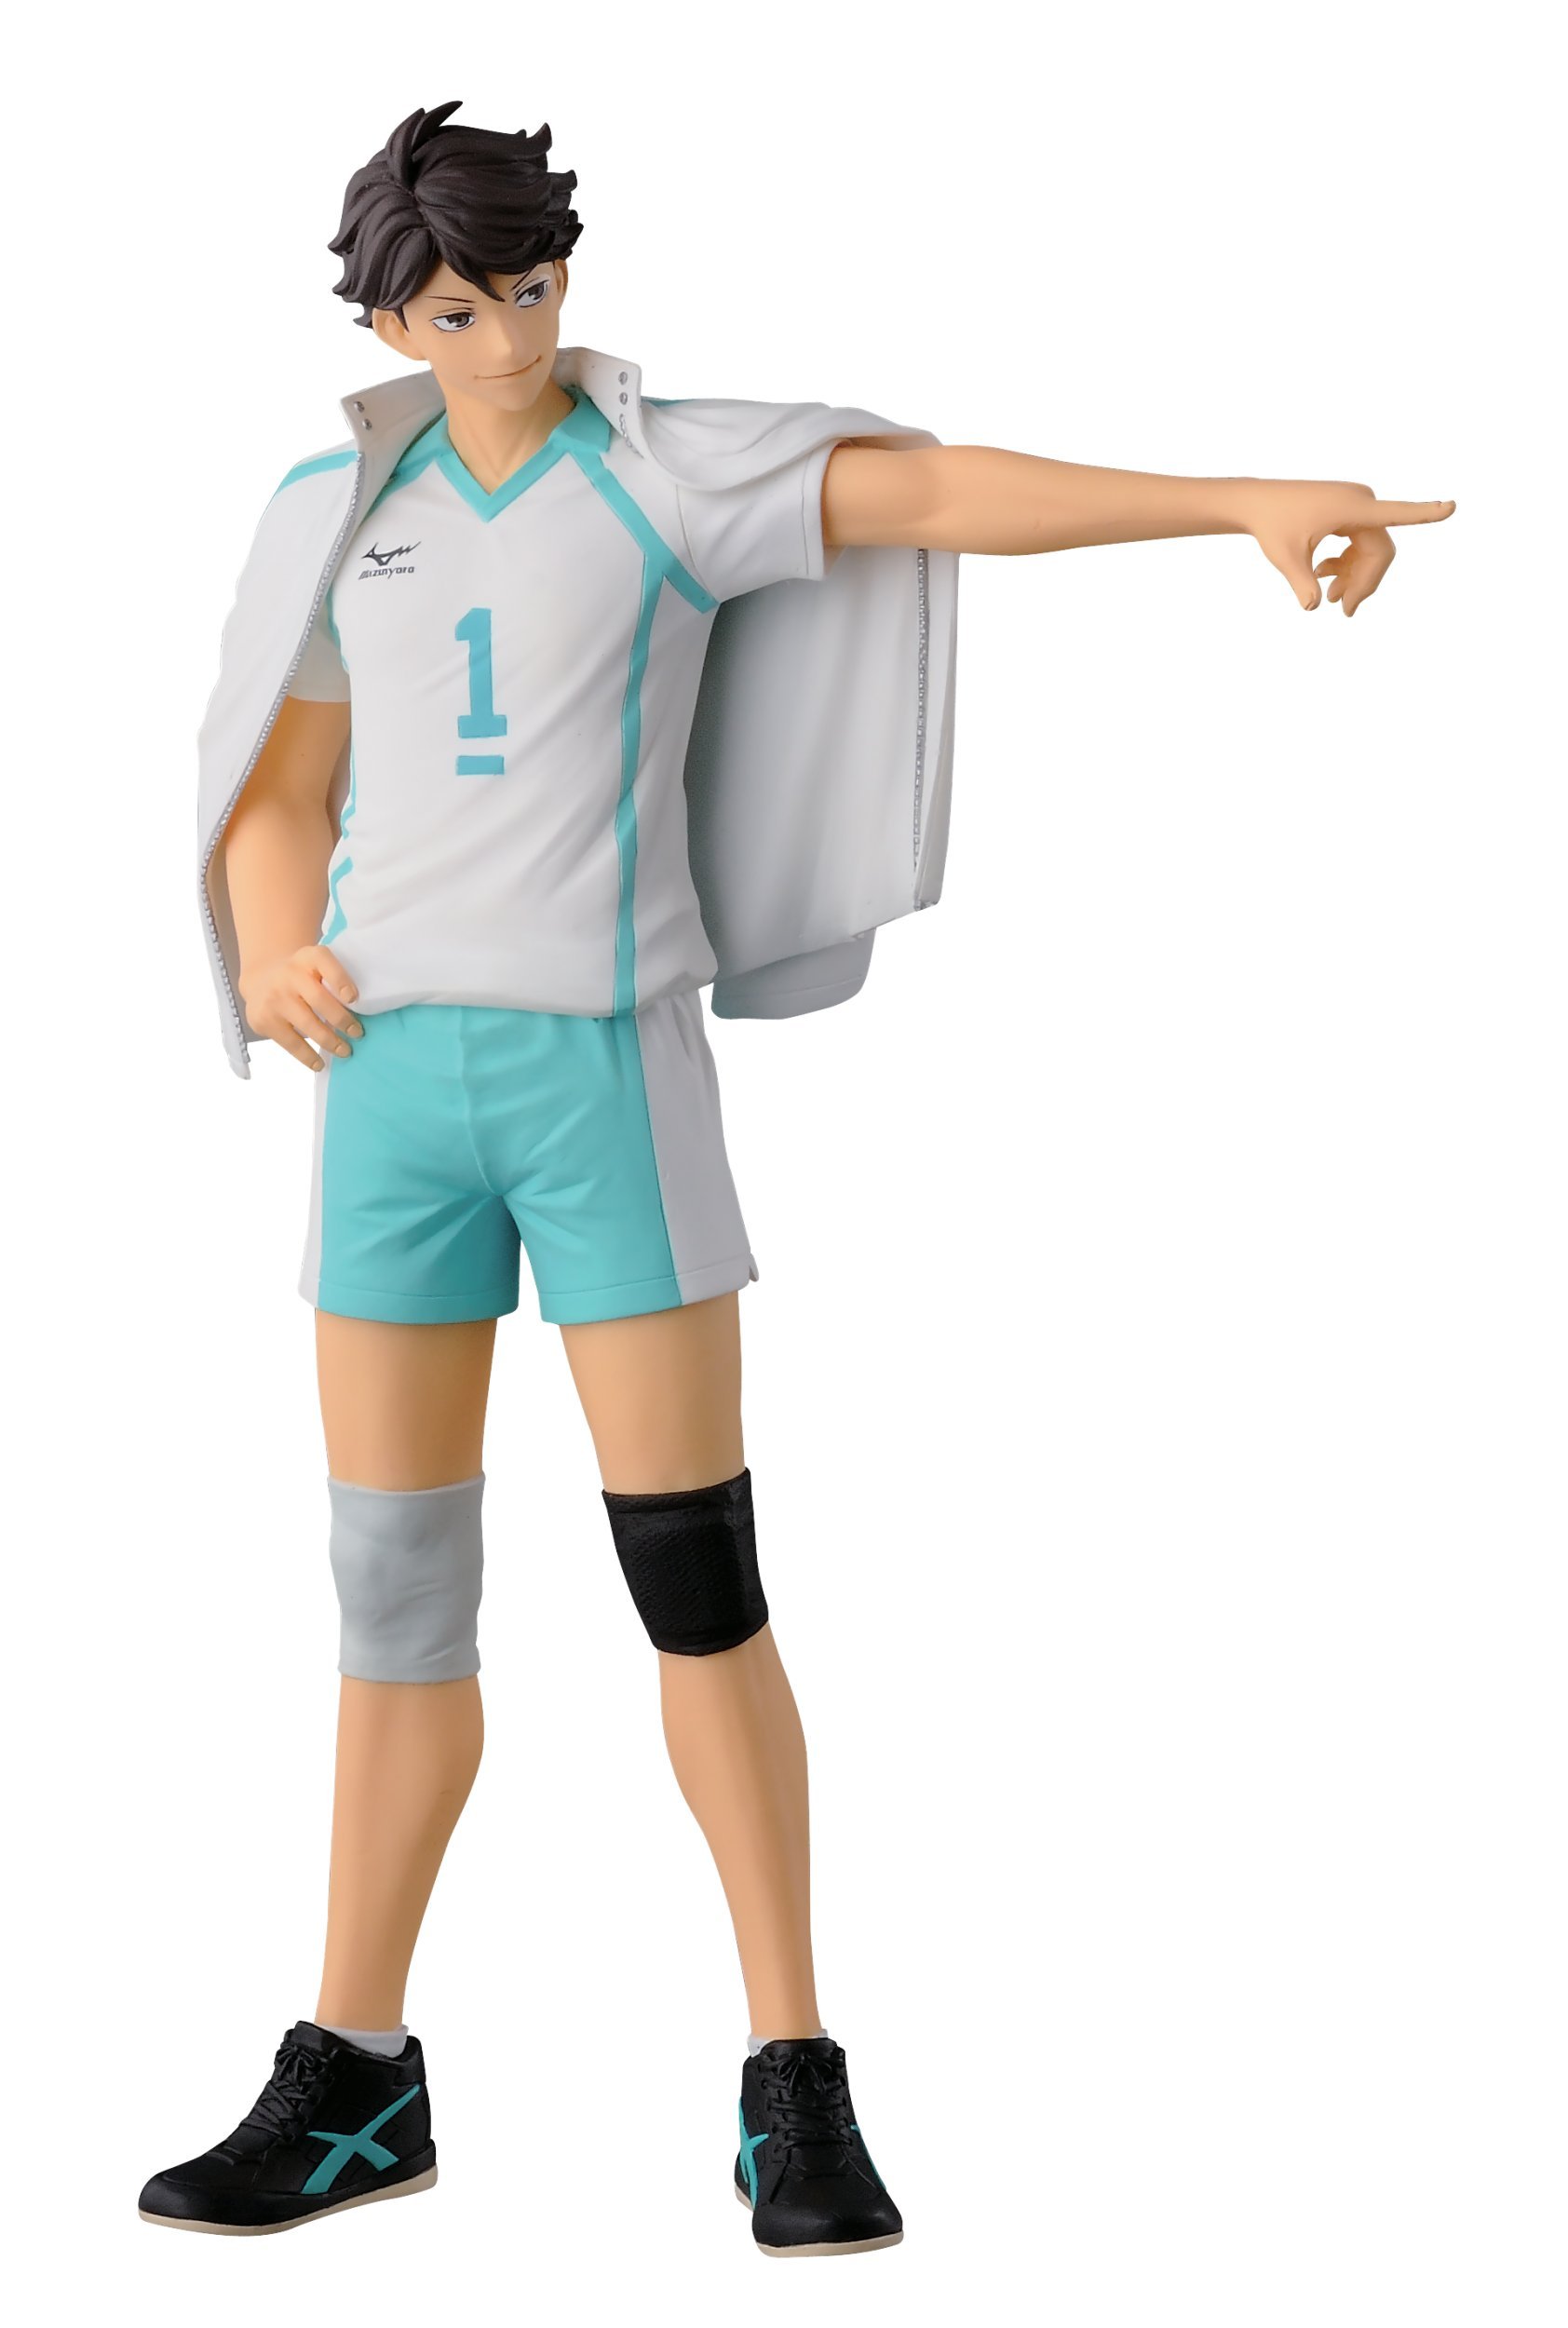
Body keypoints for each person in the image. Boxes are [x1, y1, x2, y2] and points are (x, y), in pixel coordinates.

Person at [141, 101, 1454, 2253]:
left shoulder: (664, 468)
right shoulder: (339, 498)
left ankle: (791, 2065)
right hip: (381, 1096)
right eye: (457, 310)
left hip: (603, 1080)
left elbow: (925, 491)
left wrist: (1231, 497)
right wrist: (278, 941)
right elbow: (277, 778)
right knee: (391, 1596)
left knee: (697, 1580)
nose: (506, 339)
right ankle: (355, 2067)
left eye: (532, 290)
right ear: (387, 318)